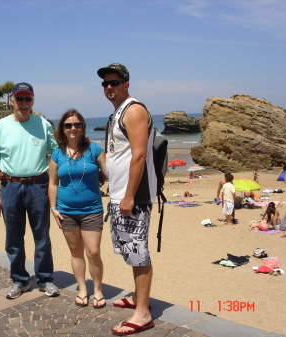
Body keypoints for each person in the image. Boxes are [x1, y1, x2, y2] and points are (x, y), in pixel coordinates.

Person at [0, 82, 59, 300]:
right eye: (19, 99)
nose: (23, 103)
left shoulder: (43, 125)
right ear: (12, 101)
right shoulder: (0, 127)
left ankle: (45, 279)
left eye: (28, 99)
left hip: (39, 185)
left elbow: (56, 157)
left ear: (33, 101)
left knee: (42, 236)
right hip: (10, 188)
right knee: (13, 238)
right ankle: (19, 280)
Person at [98, 63, 156, 335]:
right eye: (105, 83)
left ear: (126, 84)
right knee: (127, 251)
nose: (109, 87)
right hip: (121, 195)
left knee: (137, 252)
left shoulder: (133, 110)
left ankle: (142, 313)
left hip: (133, 197)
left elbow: (140, 155)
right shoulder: (117, 113)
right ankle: (138, 297)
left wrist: (129, 196)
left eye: (114, 82)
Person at [48, 109, 107, 309]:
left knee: (93, 251)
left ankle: (97, 289)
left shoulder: (95, 149)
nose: (73, 128)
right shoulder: (57, 154)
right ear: (62, 130)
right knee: (75, 253)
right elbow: (53, 183)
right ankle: (82, 289)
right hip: (66, 212)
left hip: (92, 209)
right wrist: (53, 208)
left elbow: (109, 173)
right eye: (68, 125)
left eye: (77, 124)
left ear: (82, 127)